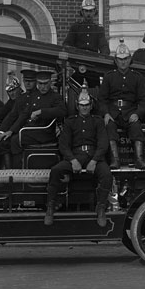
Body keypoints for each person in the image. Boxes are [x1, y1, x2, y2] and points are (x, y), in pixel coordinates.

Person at [45, 88, 111, 228]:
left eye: (87, 105)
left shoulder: (97, 121)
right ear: (77, 106)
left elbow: (103, 144)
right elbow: (63, 145)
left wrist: (94, 161)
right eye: (82, 105)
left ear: (91, 105)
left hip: (94, 157)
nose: (84, 108)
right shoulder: (70, 122)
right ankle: (50, 206)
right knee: (56, 170)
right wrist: (73, 160)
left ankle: (101, 208)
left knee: (106, 174)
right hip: (76, 156)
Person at [0, 70, 67, 168]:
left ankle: (18, 172)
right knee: (9, 138)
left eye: (45, 84)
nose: (42, 87)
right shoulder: (34, 96)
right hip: (31, 131)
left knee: (15, 140)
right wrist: (10, 131)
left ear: (50, 83)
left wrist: (41, 112)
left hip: (44, 132)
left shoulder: (55, 97)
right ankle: (12, 171)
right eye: (40, 84)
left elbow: (62, 111)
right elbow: (24, 115)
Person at [98, 39, 145, 170]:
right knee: (109, 127)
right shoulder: (109, 77)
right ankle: (115, 160)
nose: (123, 62)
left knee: (136, 127)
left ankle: (139, 159)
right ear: (115, 60)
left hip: (130, 111)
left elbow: (144, 100)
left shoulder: (137, 77)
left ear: (130, 59)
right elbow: (102, 99)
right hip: (113, 112)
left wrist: (137, 114)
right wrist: (106, 113)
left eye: (126, 59)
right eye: (120, 59)